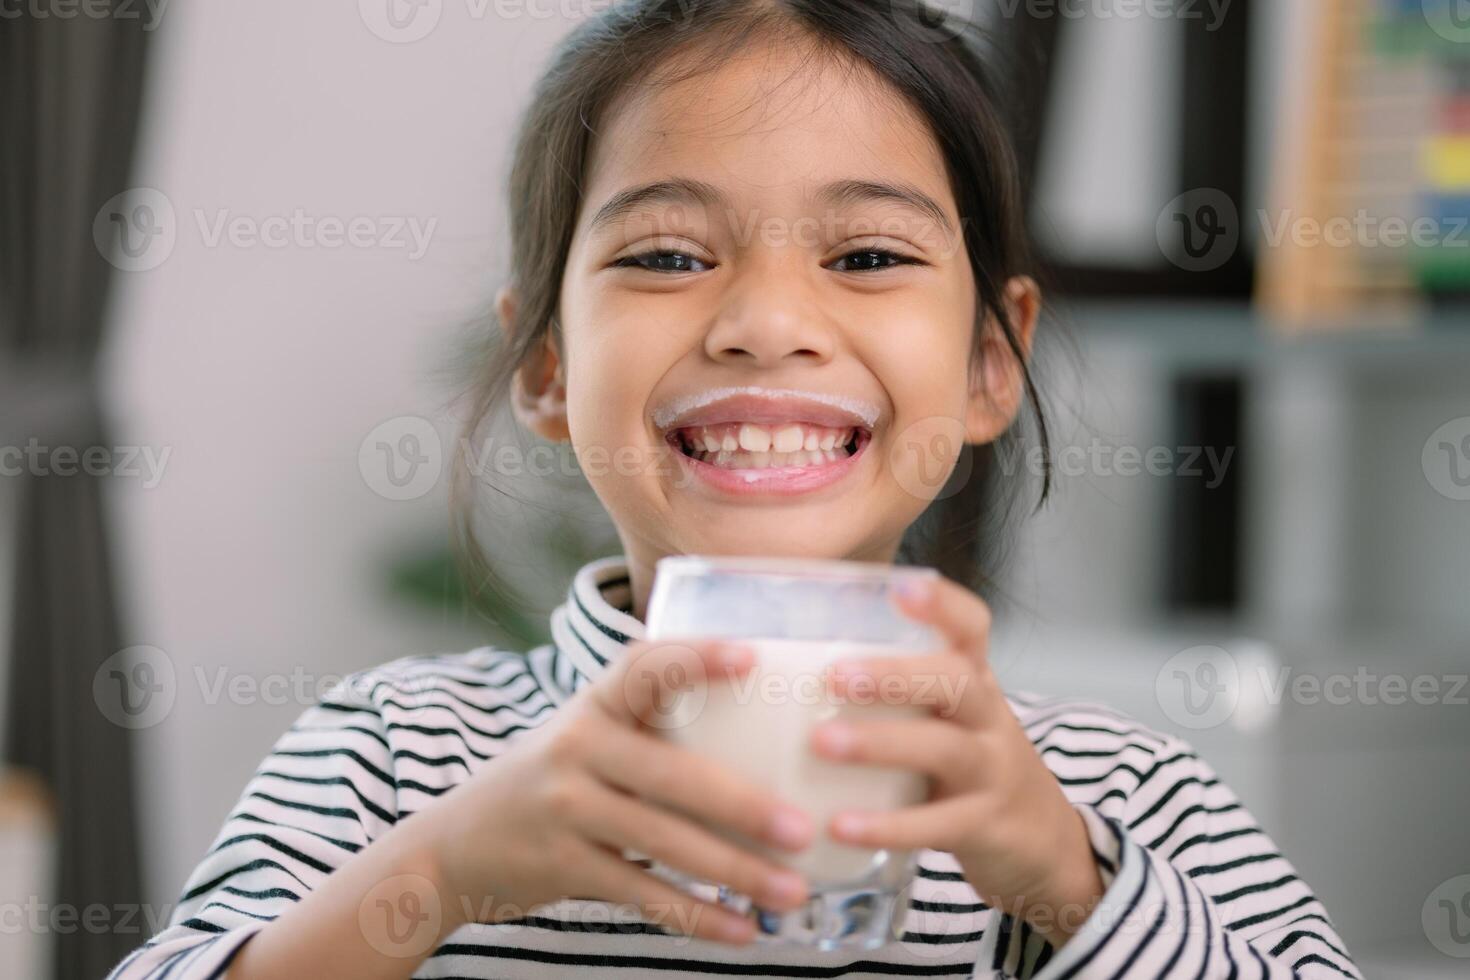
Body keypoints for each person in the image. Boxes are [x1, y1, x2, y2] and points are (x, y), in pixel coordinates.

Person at [107, 1, 1360, 976]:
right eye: (665, 254)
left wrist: (1065, 881)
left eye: (868, 254)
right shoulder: (390, 760)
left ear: (991, 362)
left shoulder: (1116, 795)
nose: (766, 322)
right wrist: (438, 874)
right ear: (546, 366)